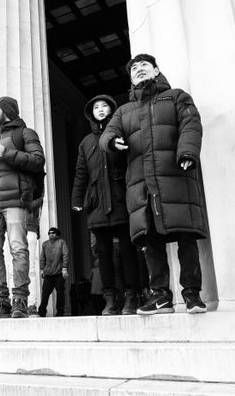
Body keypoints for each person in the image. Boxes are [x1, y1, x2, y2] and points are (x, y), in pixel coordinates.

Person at [99, 53, 208, 315]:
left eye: (144, 66)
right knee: (151, 240)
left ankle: (192, 294)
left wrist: (187, 153)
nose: (138, 70)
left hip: (175, 177)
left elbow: (191, 124)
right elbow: (107, 135)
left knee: (186, 236)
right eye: (134, 68)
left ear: (156, 70)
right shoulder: (125, 111)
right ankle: (160, 296)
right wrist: (113, 142)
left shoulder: (176, 97)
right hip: (141, 185)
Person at [72, 94, 148, 315]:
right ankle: (110, 299)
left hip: (121, 198)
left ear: (111, 110)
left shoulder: (120, 133)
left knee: (127, 250)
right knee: (102, 254)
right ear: (91, 113)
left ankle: (132, 296)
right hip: (97, 203)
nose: (101, 109)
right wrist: (77, 200)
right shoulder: (85, 143)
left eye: (105, 105)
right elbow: (80, 173)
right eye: (96, 107)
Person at [0, 96, 46, 319]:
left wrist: (5, 153)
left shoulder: (25, 133)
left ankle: (21, 301)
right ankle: (1, 302)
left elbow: (37, 160)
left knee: (17, 248)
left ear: (6, 110)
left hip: (15, 199)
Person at [38, 227, 69, 317]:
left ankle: (60, 312)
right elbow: (42, 257)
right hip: (48, 273)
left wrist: (64, 269)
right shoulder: (45, 244)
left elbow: (65, 255)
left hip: (59, 273)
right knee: (45, 293)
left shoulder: (62, 242)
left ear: (57, 234)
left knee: (60, 293)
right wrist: (41, 269)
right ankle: (42, 311)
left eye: (53, 233)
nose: (51, 234)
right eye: (49, 233)